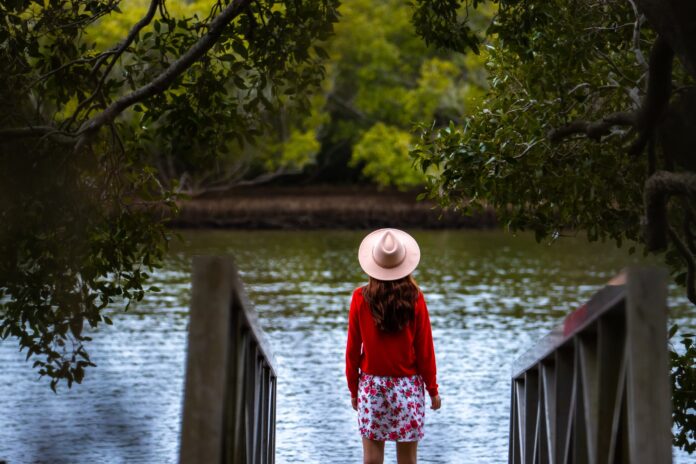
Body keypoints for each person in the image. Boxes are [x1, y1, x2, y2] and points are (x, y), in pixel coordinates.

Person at [345, 228, 441, 464]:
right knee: (408, 460)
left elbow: (352, 350)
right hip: (407, 386)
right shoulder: (416, 298)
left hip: (372, 385)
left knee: (372, 459)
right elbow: (424, 349)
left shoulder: (360, 297)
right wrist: (433, 389)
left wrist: (354, 389)